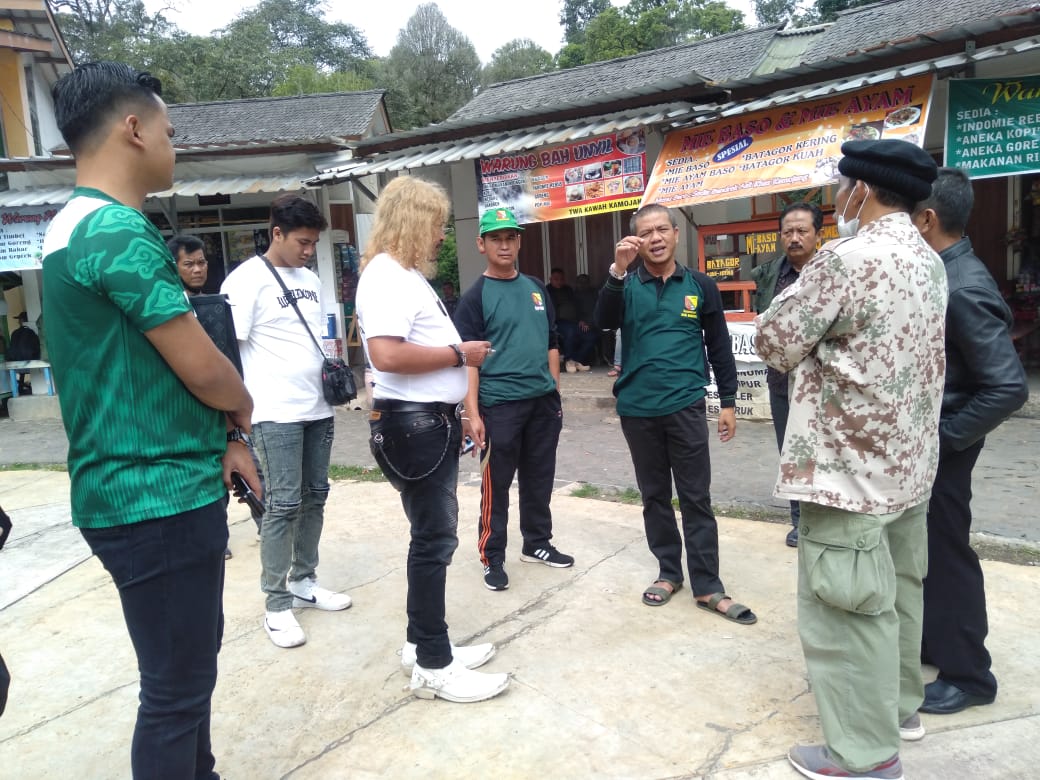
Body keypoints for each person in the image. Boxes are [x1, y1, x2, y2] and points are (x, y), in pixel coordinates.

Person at [42, 61, 258, 779]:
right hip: (153, 497)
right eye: (169, 129)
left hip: (139, 490)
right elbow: (202, 367)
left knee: (184, 677)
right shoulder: (116, 233)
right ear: (132, 129)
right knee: (174, 691)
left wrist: (223, 436)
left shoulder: (69, 226)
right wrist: (242, 405)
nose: (176, 143)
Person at [755, 139, 947, 780]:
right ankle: (899, 712)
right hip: (909, 469)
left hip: (847, 474)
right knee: (898, 593)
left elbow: (775, 344)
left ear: (860, 192)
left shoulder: (846, 258)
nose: (839, 200)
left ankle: (864, 754)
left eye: (841, 189)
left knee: (848, 611)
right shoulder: (930, 260)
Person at [356, 176, 509, 703]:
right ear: (415, 220)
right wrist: (459, 355)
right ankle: (434, 663)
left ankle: (420, 643)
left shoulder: (403, 276)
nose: (442, 236)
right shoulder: (386, 277)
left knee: (430, 538)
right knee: (434, 541)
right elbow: (386, 355)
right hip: (414, 426)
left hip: (426, 423)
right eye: (439, 225)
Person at [595, 203, 755, 625]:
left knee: (696, 497)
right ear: (636, 239)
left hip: (686, 405)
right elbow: (602, 323)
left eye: (662, 229)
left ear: (675, 233)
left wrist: (728, 403)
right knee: (653, 496)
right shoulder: (625, 284)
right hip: (638, 409)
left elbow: (719, 347)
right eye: (646, 232)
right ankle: (669, 572)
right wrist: (616, 270)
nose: (656, 238)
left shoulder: (700, 285)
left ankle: (708, 585)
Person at [911, 167, 1029, 716]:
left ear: (927, 219)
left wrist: (945, 438)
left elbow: (1006, 387)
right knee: (931, 552)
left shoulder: (963, 286)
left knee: (949, 555)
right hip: (937, 443)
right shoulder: (944, 272)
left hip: (946, 447)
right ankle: (939, 645)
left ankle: (969, 676)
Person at [220, 194, 351, 649]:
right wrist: (235, 423)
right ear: (276, 233)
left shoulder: (311, 279)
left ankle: (304, 580)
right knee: (282, 504)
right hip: (273, 413)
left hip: (317, 408)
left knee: (316, 495)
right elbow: (227, 354)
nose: (308, 250)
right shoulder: (245, 281)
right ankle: (276, 604)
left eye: (313, 243)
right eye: (302, 241)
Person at [454, 207, 573, 592]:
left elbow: (552, 343)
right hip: (499, 405)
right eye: (496, 239)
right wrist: (472, 413)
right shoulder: (475, 297)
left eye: (510, 238)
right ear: (482, 244)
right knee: (497, 484)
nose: (504, 245)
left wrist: (554, 391)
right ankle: (493, 556)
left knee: (539, 479)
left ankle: (537, 543)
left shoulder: (537, 289)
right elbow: (469, 363)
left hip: (542, 405)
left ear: (519, 241)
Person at [750, 202, 823, 548]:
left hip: (823, 385)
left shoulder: (828, 273)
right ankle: (799, 521)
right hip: (781, 381)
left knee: (824, 452)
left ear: (818, 235)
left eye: (802, 231)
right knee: (790, 453)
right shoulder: (769, 275)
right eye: (788, 232)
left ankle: (825, 518)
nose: (794, 238)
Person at [547, 267, 592, 372]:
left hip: (574, 322)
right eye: (556, 279)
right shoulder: (547, 291)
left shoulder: (568, 289)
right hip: (557, 322)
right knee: (570, 331)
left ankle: (575, 360)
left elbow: (576, 306)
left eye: (561, 279)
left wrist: (582, 320)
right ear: (550, 279)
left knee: (591, 336)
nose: (559, 282)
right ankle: (568, 359)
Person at [7, 312, 41, 394]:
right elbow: (37, 348)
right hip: (31, 365)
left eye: (19, 320)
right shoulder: (32, 333)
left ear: (22, 320)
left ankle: (20, 388)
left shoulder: (15, 333)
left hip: (16, 366)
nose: (18, 322)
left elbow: (12, 350)